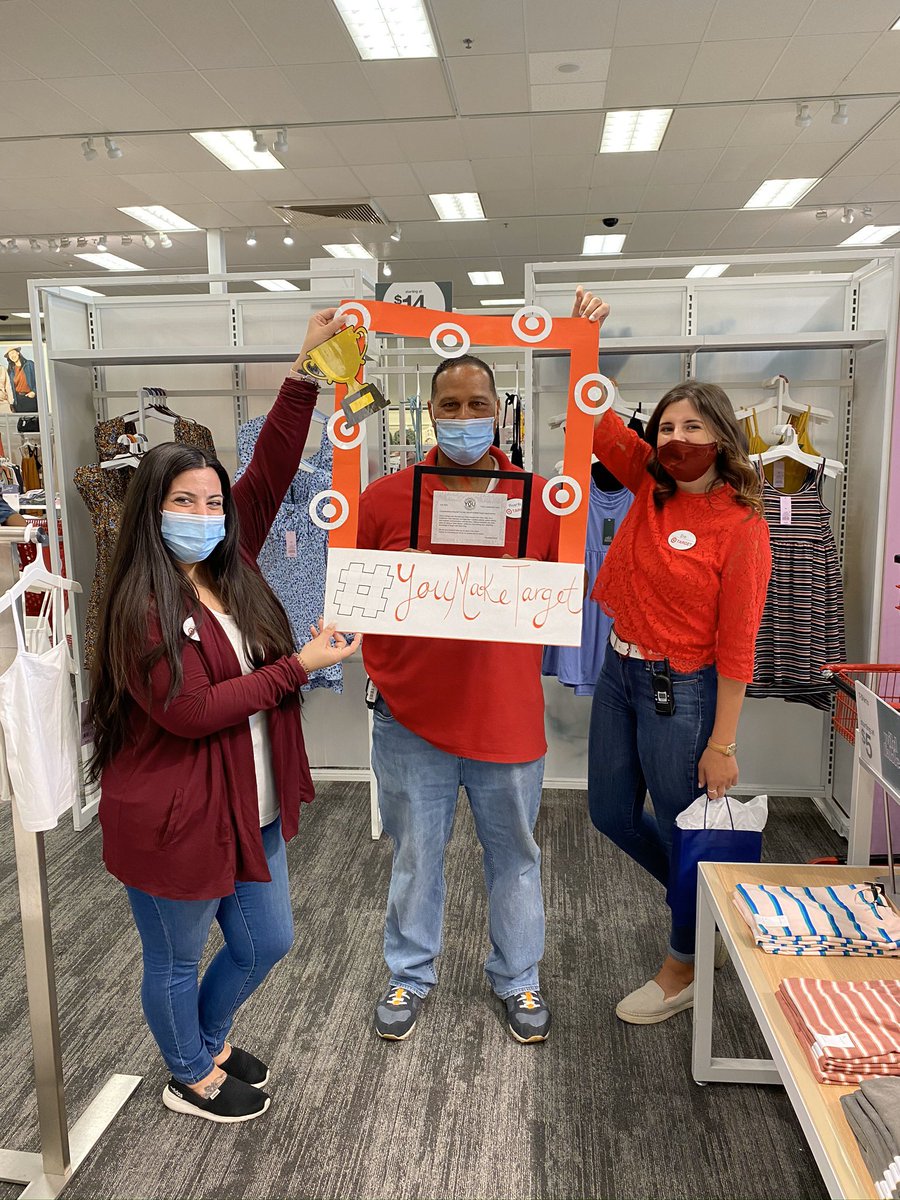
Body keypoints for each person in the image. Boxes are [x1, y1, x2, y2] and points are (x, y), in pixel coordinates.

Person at [87, 308, 361, 1124]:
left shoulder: (227, 565)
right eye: (185, 500)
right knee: (175, 957)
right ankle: (189, 1075)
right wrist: (295, 669)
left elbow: (273, 466)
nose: (205, 514)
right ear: (151, 507)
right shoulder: (140, 599)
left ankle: (198, 1046)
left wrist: (306, 368)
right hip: (177, 813)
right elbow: (189, 710)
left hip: (251, 804)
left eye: (213, 500)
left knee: (264, 940)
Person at [573, 287, 772, 1025]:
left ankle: (684, 962)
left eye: (693, 425)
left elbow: (738, 647)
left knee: (688, 820)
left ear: (721, 434)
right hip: (620, 672)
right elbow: (595, 421)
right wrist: (586, 336)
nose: (676, 437)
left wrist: (723, 743)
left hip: (681, 690)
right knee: (610, 813)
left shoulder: (741, 526)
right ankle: (707, 909)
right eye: (666, 426)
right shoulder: (648, 483)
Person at [358, 353, 559, 1044]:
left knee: (516, 859)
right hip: (410, 718)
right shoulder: (385, 499)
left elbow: (562, 600)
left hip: (505, 717)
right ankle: (409, 973)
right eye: (451, 405)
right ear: (429, 412)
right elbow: (358, 598)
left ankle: (519, 976)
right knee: (417, 856)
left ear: (500, 411)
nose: (465, 418)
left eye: (478, 404)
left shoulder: (542, 501)